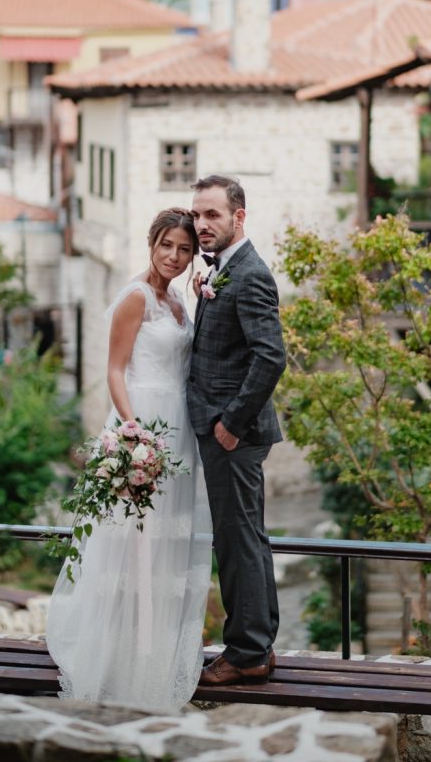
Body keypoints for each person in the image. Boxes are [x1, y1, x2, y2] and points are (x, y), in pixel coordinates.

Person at [46, 208, 212, 712]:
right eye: (167, 246)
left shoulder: (180, 298)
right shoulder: (134, 297)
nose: (174, 257)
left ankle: (154, 654)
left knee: (167, 547)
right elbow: (115, 370)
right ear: (152, 243)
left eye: (184, 249)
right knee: (131, 544)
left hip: (179, 427)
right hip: (144, 423)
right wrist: (132, 428)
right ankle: (118, 660)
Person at [188, 175, 286, 686]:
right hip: (226, 429)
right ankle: (258, 645)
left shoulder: (248, 274)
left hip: (234, 435)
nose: (202, 225)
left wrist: (230, 424)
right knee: (246, 538)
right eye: (197, 215)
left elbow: (272, 357)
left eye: (213, 216)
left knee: (236, 540)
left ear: (239, 217)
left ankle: (245, 653)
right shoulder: (224, 268)